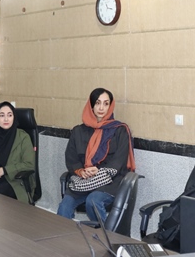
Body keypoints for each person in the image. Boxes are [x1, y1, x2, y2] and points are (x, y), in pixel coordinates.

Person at [57, 88, 136, 222]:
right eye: (98, 103)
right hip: (82, 181)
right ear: (91, 105)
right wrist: (81, 171)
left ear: (110, 106)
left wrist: (99, 171)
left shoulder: (120, 130)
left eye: (106, 103)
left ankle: (102, 234)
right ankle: (65, 235)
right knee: (64, 206)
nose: (101, 108)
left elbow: (120, 160)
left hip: (109, 182)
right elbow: (71, 158)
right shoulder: (78, 131)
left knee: (93, 201)